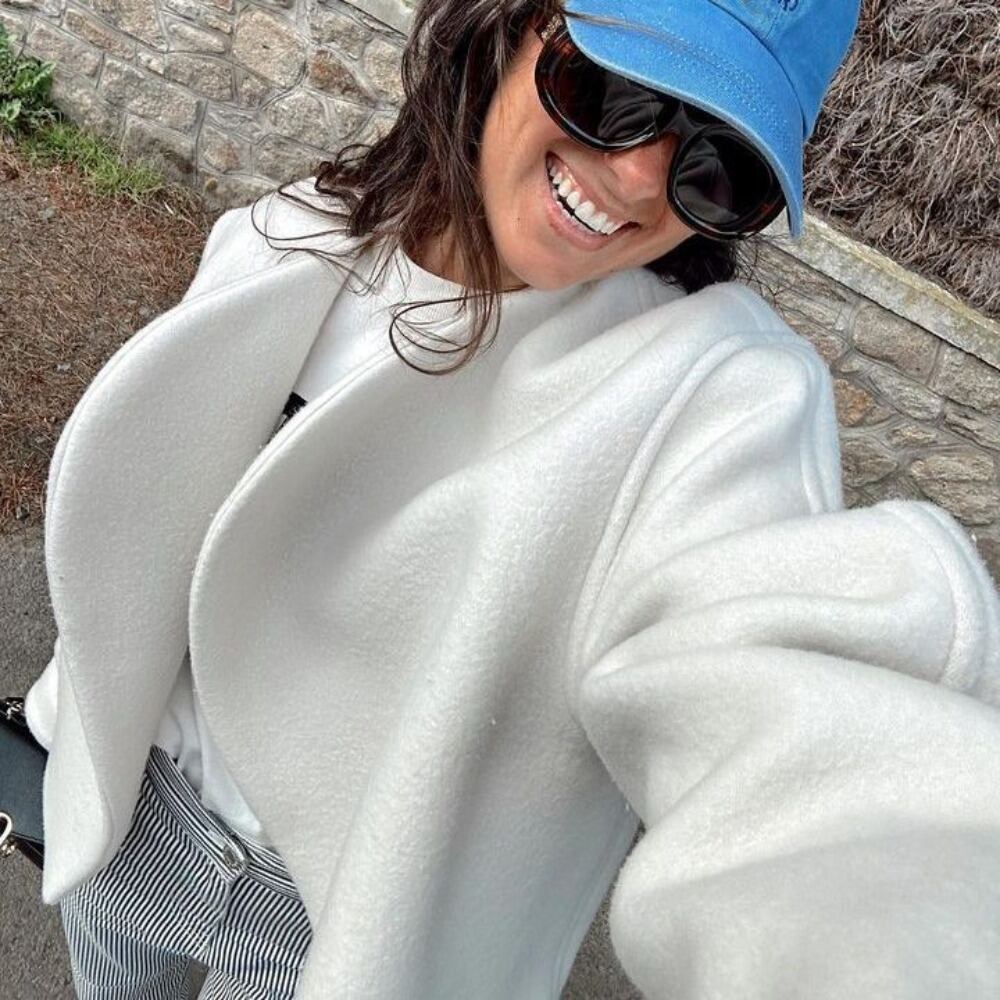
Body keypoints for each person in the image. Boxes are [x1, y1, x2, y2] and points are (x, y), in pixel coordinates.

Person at [23, 0, 1000, 997]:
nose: (639, 178)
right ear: (508, 26)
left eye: (721, 168)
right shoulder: (298, 232)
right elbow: (159, 531)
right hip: (132, 812)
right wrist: (69, 727)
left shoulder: (708, 394)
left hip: (332, 923)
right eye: (615, 90)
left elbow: (779, 691)